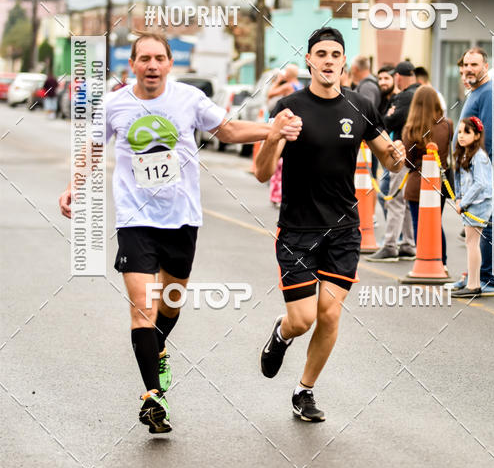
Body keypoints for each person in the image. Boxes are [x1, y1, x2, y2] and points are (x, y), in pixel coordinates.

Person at [58, 33, 301, 435]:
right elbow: (93, 148)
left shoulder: (188, 99)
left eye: (159, 58)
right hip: (135, 222)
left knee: (170, 305)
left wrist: (271, 129)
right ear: (132, 64)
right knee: (142, 307)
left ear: (170, 64)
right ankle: (154, 396)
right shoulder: (115, 104)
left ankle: (159, 348)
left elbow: (227, 131)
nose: (152, 65)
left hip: (182, 219)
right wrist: (74, 185)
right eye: (144, 59)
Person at [255, 27, 406, 423]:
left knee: (330, 314)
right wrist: (274, 137)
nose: (327, 60)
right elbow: (261, 171)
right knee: (303, 318)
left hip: (343, 228)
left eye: (335, 54)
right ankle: (282, 333)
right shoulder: (288, 107)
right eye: (320, 53)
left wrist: (397, 155)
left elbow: (387, 160)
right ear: (309, 60)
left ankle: (304, 390)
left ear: (343, 61)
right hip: (298, 229)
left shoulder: (360, 107)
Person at [451, 48, 494, 296]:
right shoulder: (478, 91)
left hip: (479, 174)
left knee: (484, 228)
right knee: (476, 231)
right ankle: (476, 276)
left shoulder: (491, 92)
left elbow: (490, 137)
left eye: (474, 64)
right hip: (470, 171)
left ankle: (485, 279)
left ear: (486, 65)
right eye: (466, 65)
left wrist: (475, 168)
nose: (469, 69)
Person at [367, 61, 418, 261]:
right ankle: (407, 244)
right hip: (416, 156)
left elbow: (388, 121)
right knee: (403, 201)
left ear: (398, 77)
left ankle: (390, 245)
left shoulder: (405, 96)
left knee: (394, 199)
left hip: (402, 153)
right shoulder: (422, 92)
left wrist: (389, 115)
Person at [401, 85, 453, 268]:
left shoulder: (411, 129)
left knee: (420, 225)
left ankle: (424, 261)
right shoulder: (447, 125)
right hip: (441, 182)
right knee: (435, 223)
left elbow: (408, 161)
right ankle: (442, 262)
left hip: (418, 182)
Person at [453, 116, 493, 296]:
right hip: (471, 205)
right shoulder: (464, 154)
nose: (461, 136)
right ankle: (473, 282)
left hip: (479, 205)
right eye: (460, 132)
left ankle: (474, 284)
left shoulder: (479, 157)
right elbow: (461, 181)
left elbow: (480, 184)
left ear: (477, 136)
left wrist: (464, 202)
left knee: (472, 243)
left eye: (466, 132)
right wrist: (458, 199)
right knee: (471, 242)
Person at [266, 65, 303, 206]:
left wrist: (278, 80)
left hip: (286, 124)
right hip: (296, 123)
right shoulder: (299, 85)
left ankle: (277, 195)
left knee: (279, 161)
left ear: (288, 74)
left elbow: (270, 94)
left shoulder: (288, 86)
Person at [375, 65, 397, 217]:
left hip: (397, 154)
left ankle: (397, 236)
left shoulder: (398, 100)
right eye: (380, 79)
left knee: (384, 196)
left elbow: (387, 125)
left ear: (395, 79)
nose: (383, 82)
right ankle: (399, 236)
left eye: (386, 79)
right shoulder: (382, 101)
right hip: (385, 154)